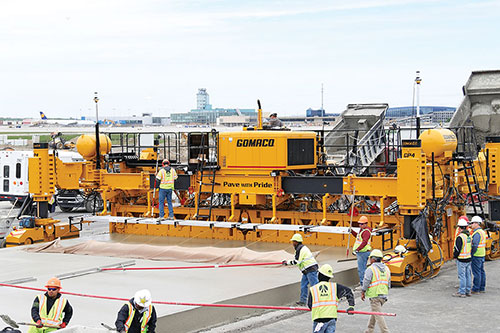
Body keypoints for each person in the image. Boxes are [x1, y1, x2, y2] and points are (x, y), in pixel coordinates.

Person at [307, 264, 355, 333]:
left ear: (319, 275)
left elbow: (310, 305)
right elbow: (348, 292)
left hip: (319, 320)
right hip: (331, 319)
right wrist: (351, 306)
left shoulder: (314, 289)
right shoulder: (334, 287)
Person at [282, 233, 319, 306]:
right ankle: (303, 301)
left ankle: (318, 301)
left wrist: (287, 263)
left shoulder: (300, 249)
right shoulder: (300, 248)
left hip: (311, 269)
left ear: (296, 242)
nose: (292, 243)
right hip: (307, 270)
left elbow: (297, 261)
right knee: (303, 285)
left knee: (314, 286)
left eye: (293, 241)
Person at [361, 249, 390, 333]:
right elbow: (389, 282)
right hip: (384, 295)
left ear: (373, 259)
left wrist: (363, 291)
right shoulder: (386, 268)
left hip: (375, 296)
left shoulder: (371, 269)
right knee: (376, 312)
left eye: (370, 258)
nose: (369, 260)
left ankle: (385, 331)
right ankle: (369, 329)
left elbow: (366, 280)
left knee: (378, 315)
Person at [350, 215, 372, 286]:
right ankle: (364, 282)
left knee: (361, 269)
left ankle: (363, 284)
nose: (360, 225)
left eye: (362, 224)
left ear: (366, 224)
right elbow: (358, 237)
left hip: (363, 252)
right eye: (359, 224)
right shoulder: (362, 230)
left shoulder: (366, 232)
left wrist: (357, 250)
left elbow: (364, 242)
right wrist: (352, 232)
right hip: (361, 252)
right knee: (362, 268)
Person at [453, 217, 472, 297]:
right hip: (468, 258)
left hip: (461, 259)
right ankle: (468, 291)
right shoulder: (469, 236)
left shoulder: (460, 237)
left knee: (462, 276)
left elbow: (457, 249)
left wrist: (455, 256)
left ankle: (462, 292)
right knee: (468, 276)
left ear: (460, 227)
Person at [470, 215, 487, 294]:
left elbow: (475, 245)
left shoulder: (477, 233)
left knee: (476, 272)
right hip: (482, 254)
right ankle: (482, 287)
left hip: (476, 255)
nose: (471, 225)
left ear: (477, 223)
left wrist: (471, 253)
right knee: (481, 272)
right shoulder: (482, 232)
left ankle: (476, 289)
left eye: (472, 223)